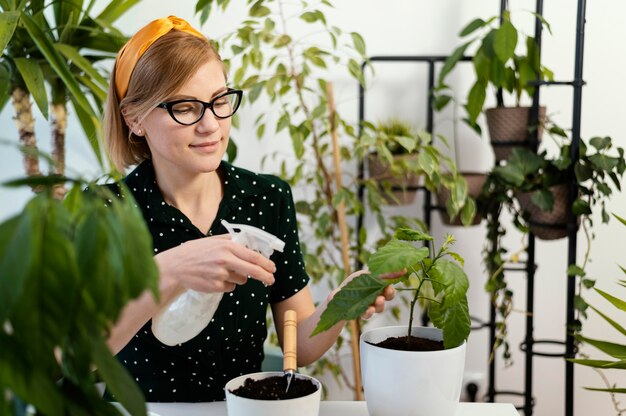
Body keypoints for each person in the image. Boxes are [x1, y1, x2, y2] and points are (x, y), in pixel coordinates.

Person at [103, 15, 396, 402]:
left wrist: (341, 302)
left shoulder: (267, 198)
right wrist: (173, 267)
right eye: (186, 107)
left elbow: (301, 346)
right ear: (134, 118)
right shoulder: (105, 212)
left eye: (220, 101)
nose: (211, 124)